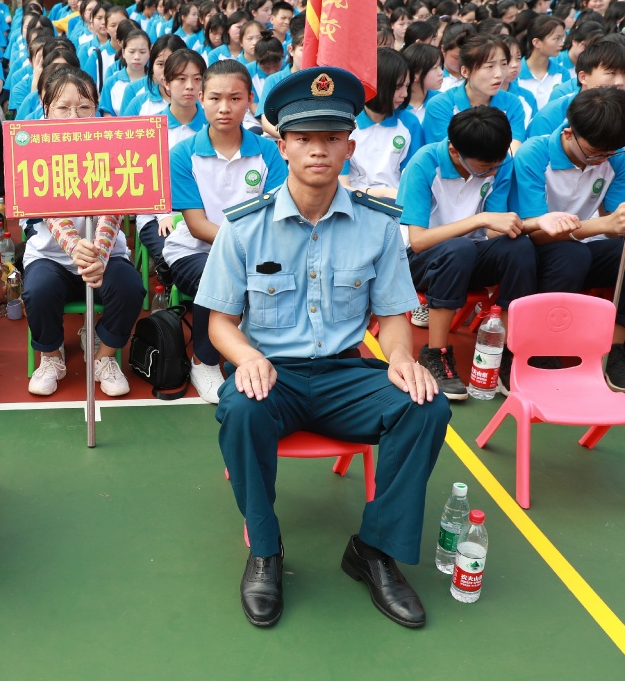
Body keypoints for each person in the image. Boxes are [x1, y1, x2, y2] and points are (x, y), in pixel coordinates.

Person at [195, 66, 449, 629]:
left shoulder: (378, 226)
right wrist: (249, 358)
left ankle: (374, 550)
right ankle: (265, 551)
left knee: (425, 404)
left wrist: (404, 360)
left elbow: (392, 316)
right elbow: (220, 323)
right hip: (274, 374)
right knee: (239, 406)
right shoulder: (244, 227)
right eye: (304, 139)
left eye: (331, 138)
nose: (318, 150)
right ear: (281, 145)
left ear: (349, 145)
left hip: (344, 375)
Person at [510, 86, 625, 394]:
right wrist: (606, 223)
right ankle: (542, 348)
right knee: (570, 254)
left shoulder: (612, 160)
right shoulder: (534, 155)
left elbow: (615, 218)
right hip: (536, 253)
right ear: (568, 133)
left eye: (609, 152)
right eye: (593, 152)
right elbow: (536, 235)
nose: (600, 159)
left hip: (581, 248)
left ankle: (614, 349)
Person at [398, 107, 577, 399]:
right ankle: (435, 353)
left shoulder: (500, 163)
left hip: (470, 253)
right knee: (458, 248)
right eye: (484, 167)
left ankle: (510, 352)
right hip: (419, 261)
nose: (492, 172)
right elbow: (418, 241)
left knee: (518, 247)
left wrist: (538, 223)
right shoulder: (424, 163)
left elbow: (497, 229)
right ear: (455, 152)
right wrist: (478, 220)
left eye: (497, 164)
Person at [164, 59, 288, 403]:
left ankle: (266, 353)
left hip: (258, 249)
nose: (224, 108)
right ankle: (203, 360)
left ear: (250, 100)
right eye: (215, 98)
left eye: (235, 98)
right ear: (201, 99)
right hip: (194, 252)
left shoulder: (267, 151)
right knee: (218, 276)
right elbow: (196, 225)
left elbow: (274, 212)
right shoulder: (183, 154)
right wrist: (244, 252)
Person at [22, 67, 144, 398]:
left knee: (131, 287)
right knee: (38, 289)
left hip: (105, 256)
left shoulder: (113, 145)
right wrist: (76, 249)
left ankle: (104, 357)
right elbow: (50, 213)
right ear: (46, 109)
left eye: (84, 107)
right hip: (52, 255)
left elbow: (114, 210)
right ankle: (51, 356)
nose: (73, 115)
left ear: (97, 107)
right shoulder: (31, 148)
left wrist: (99, 255)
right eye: (63, 107)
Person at [343, 47, 421, 200]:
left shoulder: (410, 123)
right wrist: (383, 194)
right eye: (398, 87)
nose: (405, 94)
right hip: (353, 205)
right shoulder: (346, 122)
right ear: (377, 84)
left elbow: (413, 181)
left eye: (407, 86)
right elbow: (342, 186)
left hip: (396, 208)